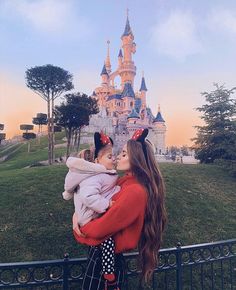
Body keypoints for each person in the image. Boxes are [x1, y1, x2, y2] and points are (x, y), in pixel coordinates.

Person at [73, 128, 167, 290]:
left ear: (137, 159)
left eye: (124, 154)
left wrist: (80, 228)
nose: (117, 157)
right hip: (101, 256)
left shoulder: (135, 191)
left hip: (108, 263)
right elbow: (94, 202)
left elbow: (101, 228)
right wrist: (77, 215)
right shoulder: (123, 182)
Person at [63, 131, 121, 289]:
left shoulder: (105, 174)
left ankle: (107, 275)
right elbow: (89, 196)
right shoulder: (98, 176)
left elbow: (105, 190)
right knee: (107, 240)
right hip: (89, 219)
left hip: (89, 217)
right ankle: (109, 275)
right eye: (109, 157)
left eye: (114, 156)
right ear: (97, 161)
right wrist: (107, 204)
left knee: (104, 243)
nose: (114, 159)